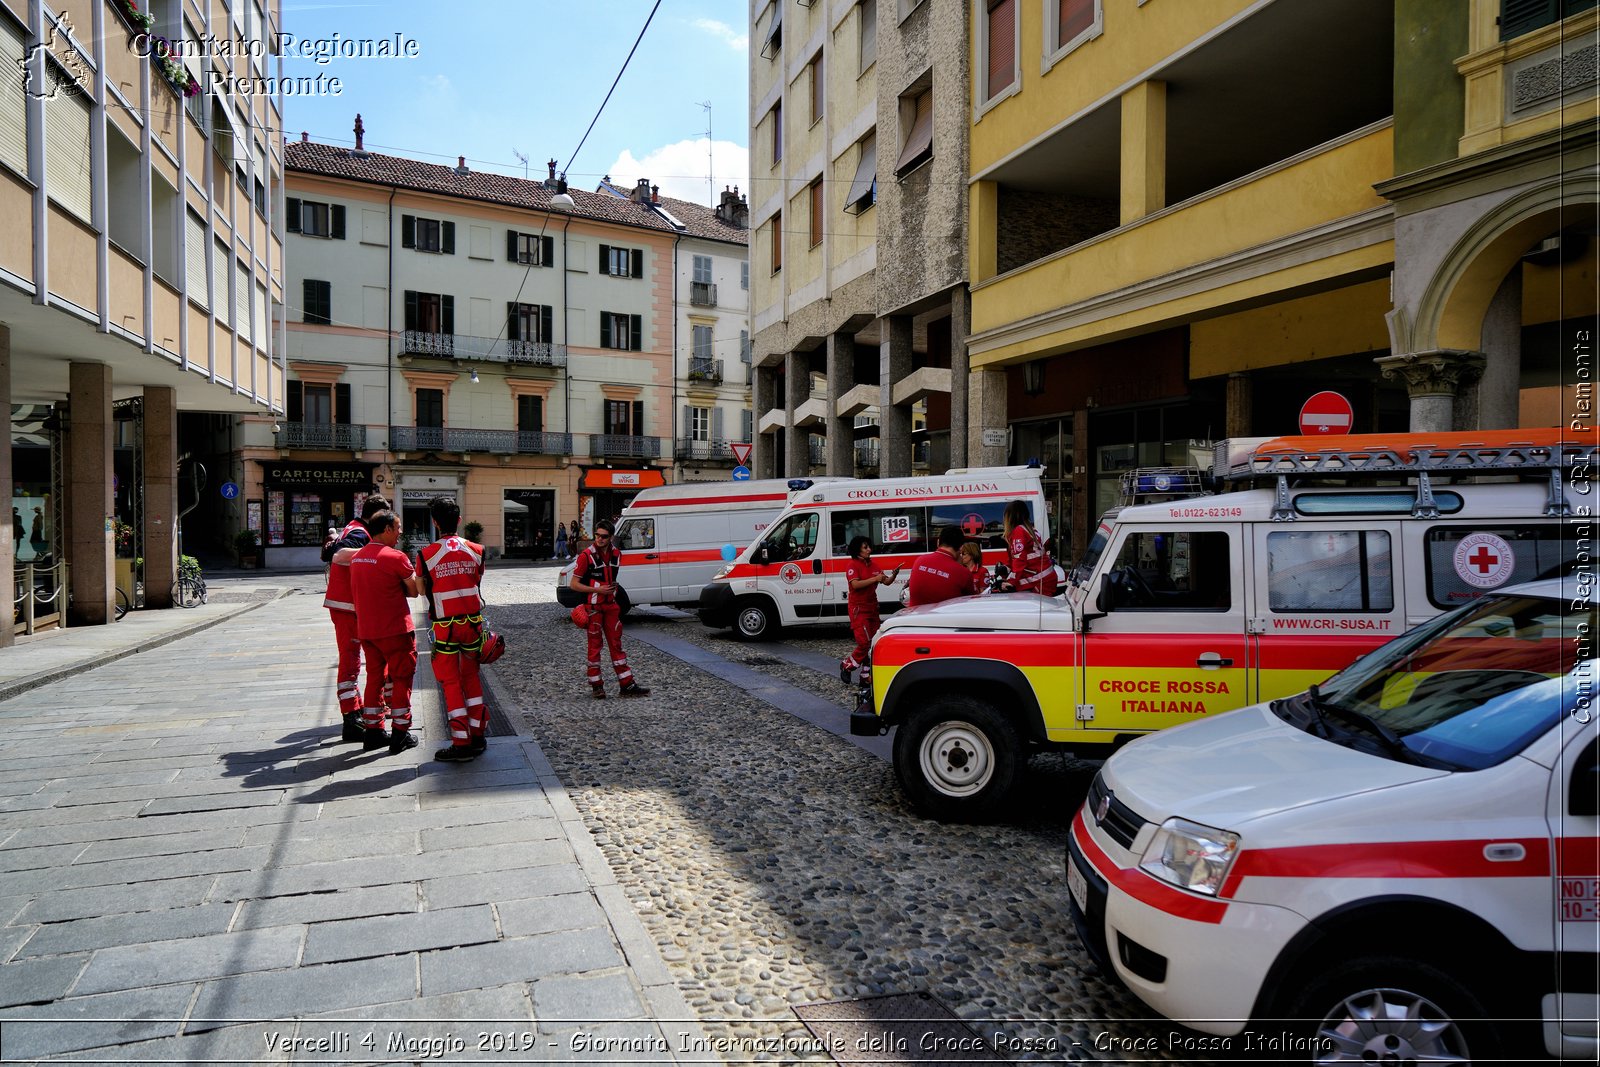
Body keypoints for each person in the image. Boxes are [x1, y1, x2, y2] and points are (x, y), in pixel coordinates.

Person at [416, 496, 489, 763]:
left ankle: (461, 742)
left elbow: (421, 589)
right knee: (471, 677)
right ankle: (479, 734)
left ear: (435, 523)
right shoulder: (477, 550)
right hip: (472, 624)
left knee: (450, 682)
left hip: (445, 627)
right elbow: (477, 580)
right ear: (459, 520)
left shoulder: (426, 554)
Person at [347, 510, 422, 753]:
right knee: (402, 679)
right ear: (387, 529)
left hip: (368, 630)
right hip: (395, 630)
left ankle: (374, 731)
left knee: (374, 680)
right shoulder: (395, 557)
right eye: (398, 527)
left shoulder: (357, 558)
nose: (401, 532)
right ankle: (401, 733)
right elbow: (414, 591)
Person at [321, 494, 390, 742]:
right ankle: (351, 720)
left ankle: (359, 710)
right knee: (351, 661)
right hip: (348, 605)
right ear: (375, 515)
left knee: (355, 659)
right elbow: (337, 553)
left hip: (348, 605)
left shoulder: (354, 527)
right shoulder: (360, 533)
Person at [568, 519, 649, 699]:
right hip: (594, 608)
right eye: (597, 535)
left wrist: (612, 587)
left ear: (611, 537)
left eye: (604, 536)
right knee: (595, 647)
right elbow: (574, 584)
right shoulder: (585, 556)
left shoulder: (617, 555)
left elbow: (610, 577)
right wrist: (597, 589)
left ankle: (626, 684)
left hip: (611, 606)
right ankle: (596, 685)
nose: (599, 539)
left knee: (616, 644)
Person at [839, 536, 900, 684]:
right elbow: (855, 585)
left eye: (869, 547)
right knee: (864, 643)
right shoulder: (852, 565)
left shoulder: (874, 565)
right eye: (865, 547)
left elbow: (886, 581)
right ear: (857, 549)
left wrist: (894, 575)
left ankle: (865, 676)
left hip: (872, 607)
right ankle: (847, 665)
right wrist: (875, 579)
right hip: (858, 609)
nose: (869, 550)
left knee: (874, 642)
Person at [906, 524, 973, 608]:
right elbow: (970, 604)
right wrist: (959, 566)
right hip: (945, 620)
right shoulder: (964, 573)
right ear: (961, 548)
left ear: (938, 542)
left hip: (914, 618)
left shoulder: (919, 560)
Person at [1002, 499, 1057, 597]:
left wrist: (1011, 581)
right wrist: (1006, 568)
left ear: (1010, 517)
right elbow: (1017, 557)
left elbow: (1020, 559)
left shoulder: (1019, 531)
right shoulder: (1029, 529)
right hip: (1045, 577)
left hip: (1040, 580)